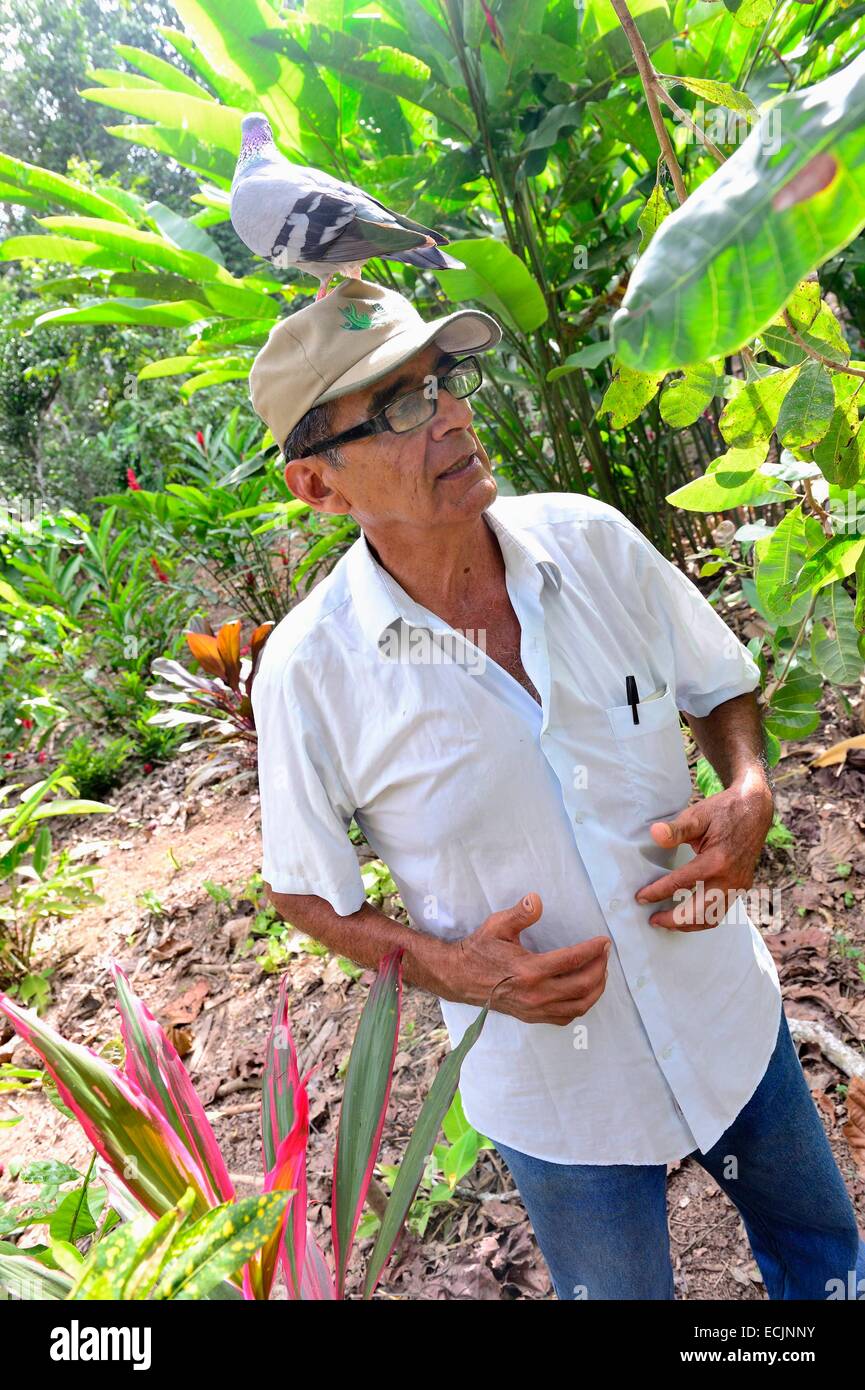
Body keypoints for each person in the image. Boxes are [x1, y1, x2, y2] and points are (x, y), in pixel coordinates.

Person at [248, 277, 865, 1300]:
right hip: (557, 1090)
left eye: (443, 379)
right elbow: (305, 892)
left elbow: (721, 689)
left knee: (826, 1264)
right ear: (317, 486)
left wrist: (748, 787)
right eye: (399, 406)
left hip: (725, 1016)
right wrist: (458, 970)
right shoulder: (313, 673)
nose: (448, 413)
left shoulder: (594, 545)